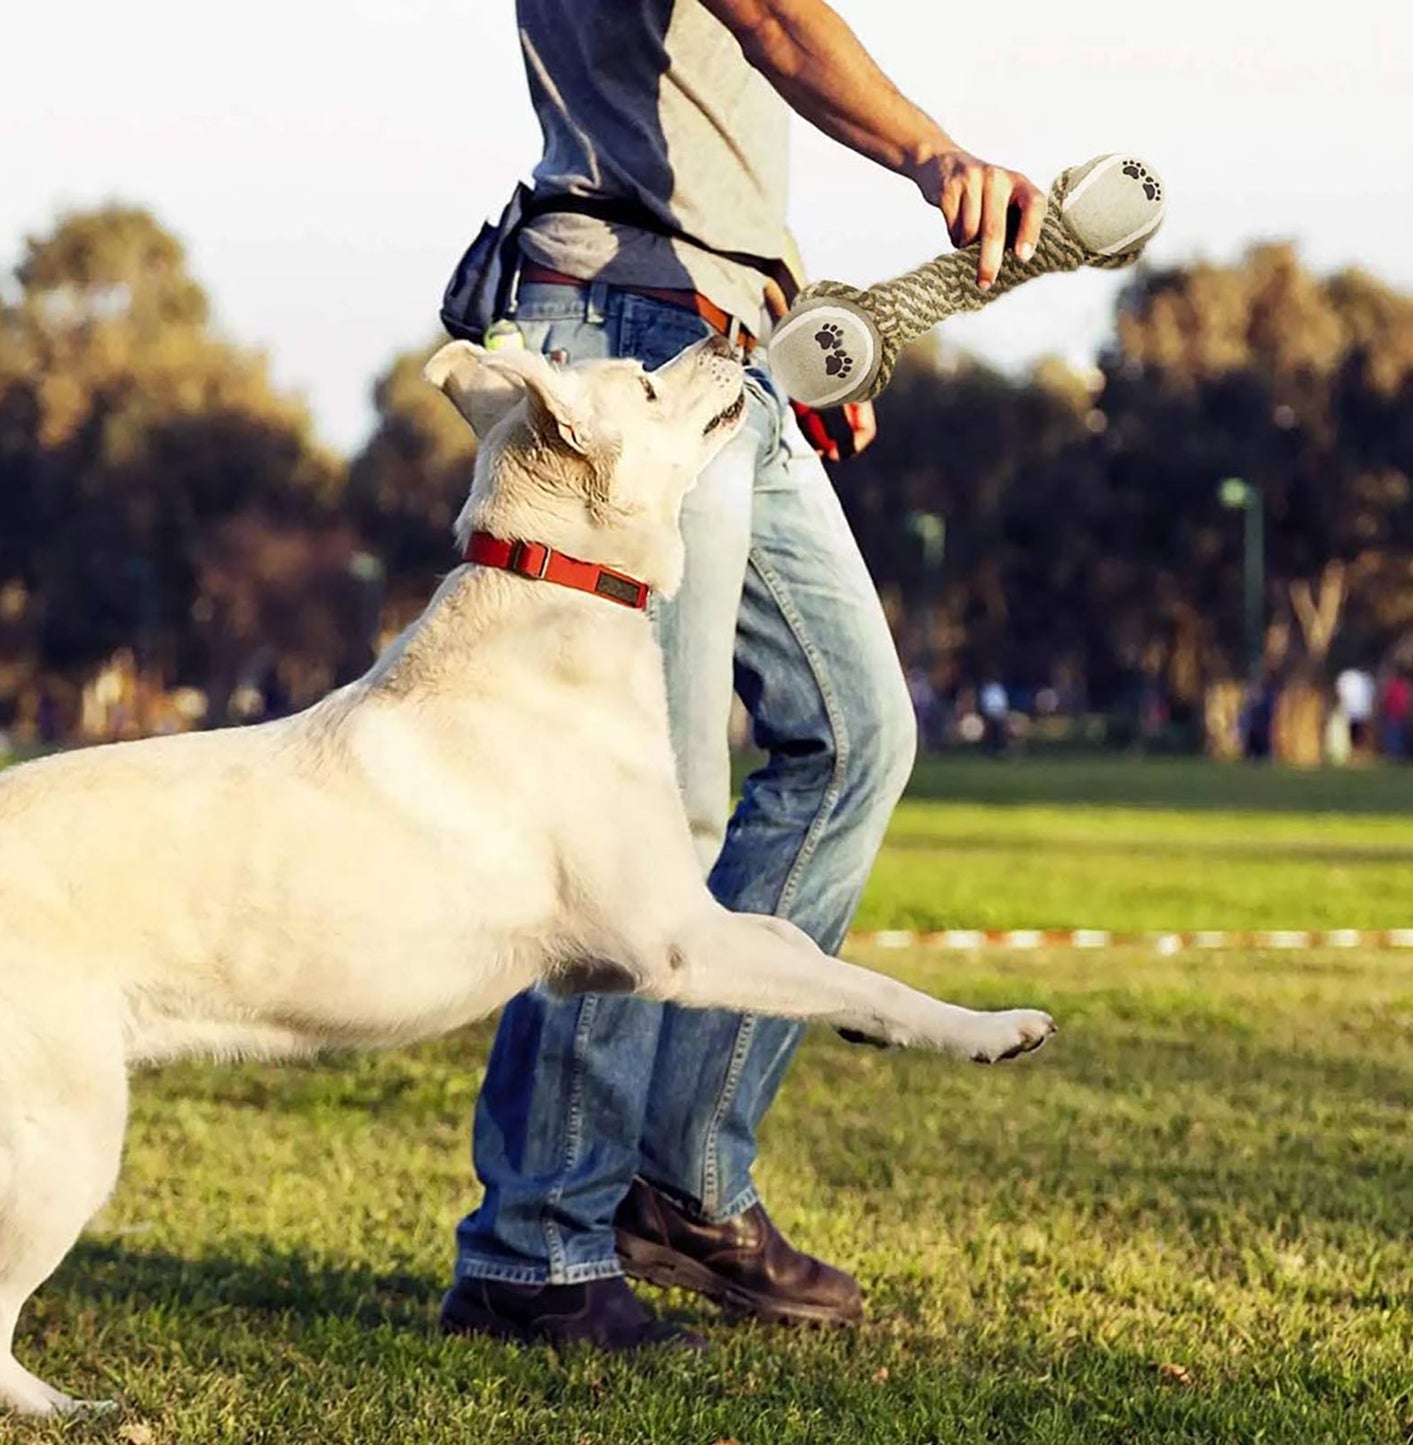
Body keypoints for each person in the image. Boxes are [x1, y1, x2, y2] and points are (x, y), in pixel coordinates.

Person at [441, 0, 1046, 1352]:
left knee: (854, 736)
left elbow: (700, 117)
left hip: (719, 340)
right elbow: (770, 17)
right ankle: (535, 1248)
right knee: (643, 820)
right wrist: (931, 153)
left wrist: (788, 320)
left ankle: (681, 1183)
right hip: (624, 337)